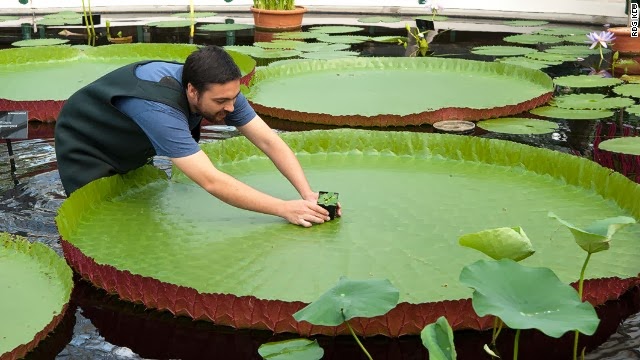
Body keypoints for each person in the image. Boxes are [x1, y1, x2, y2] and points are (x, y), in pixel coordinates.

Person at [54, 45, 341, 227]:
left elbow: (269, 140)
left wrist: (307, 194)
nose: (230, 108)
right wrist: (284, 209)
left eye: (234, 98)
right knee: (99, 225)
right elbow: (210, 180)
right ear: (192, 90)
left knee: (142, 218)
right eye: (221, 103)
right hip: (87, 142)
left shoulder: (221, 91)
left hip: (131, 142)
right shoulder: (157, 108)